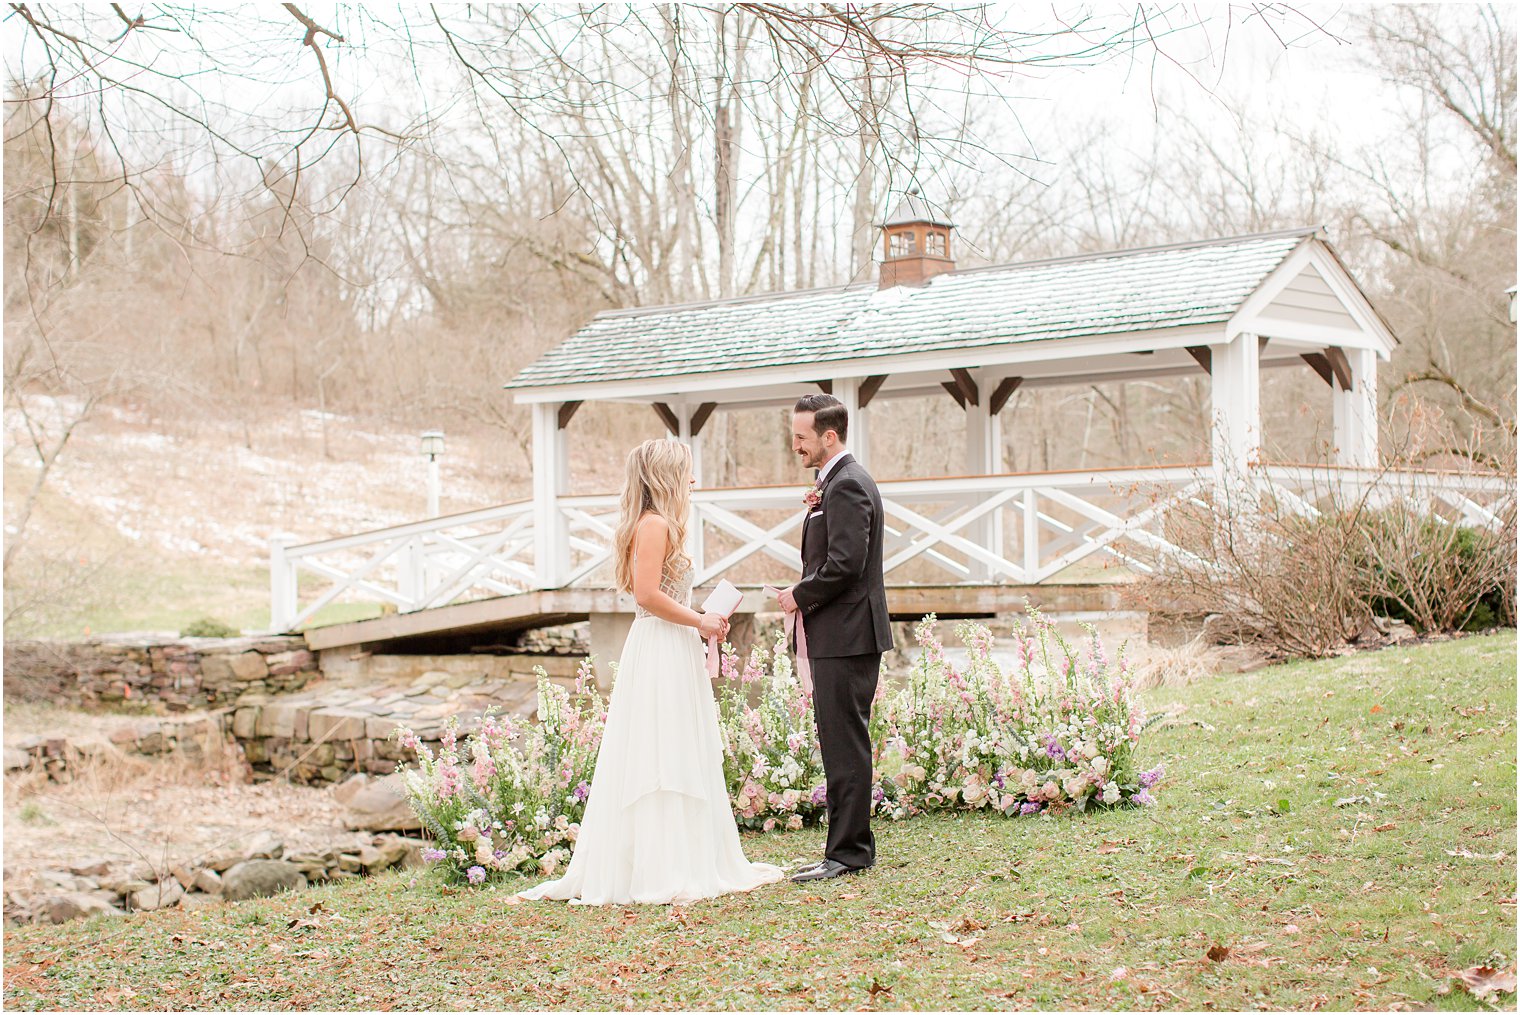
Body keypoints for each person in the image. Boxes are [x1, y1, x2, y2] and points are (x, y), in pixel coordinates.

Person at [517, 438, 783, 905]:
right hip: (660, 645)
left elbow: (663, 595)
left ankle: (679, 854)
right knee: (661, 749)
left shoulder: (658, 524)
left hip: (671, 642)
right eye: (687, 471)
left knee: (675, 744)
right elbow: (645, 595)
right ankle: (661, 865)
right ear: (668, 476)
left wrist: (700, 617)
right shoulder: (655, 523)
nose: (694, 480)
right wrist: (699, 619)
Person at [777, 393, 893, 882]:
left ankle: (848, 853)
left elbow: (846, 564)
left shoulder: (846, 486)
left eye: (802, 437)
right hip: (844, 634)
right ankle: (844, 848)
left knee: (845, 744)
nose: (796, 445)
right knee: (842, 741)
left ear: (829, 436)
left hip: (847, 635)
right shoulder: (839, 482)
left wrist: (799, 596)